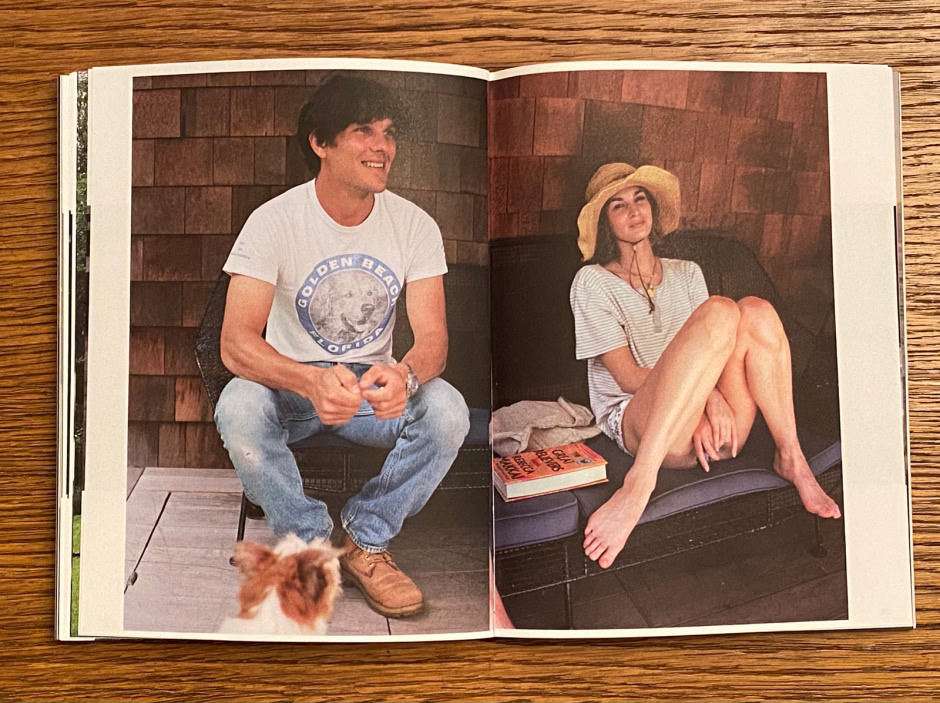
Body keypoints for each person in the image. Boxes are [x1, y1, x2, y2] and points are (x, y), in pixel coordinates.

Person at [214, 75, 470, 618]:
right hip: (292, 385)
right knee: (238, 405)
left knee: (448, 411)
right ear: (319, 143)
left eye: (388, 133)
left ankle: (366, 541)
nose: (382, 147)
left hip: (372, 388)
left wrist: (406, 376)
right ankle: (308, 549)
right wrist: (308, 379)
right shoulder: (274, 221)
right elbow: (235, 343)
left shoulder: (415, 226)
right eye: (363, 132)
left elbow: (434, 341)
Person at [569, 162, 841, 570]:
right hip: (642, 425)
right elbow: (625, 377)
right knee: (720, 311)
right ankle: (639, 485)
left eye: (640, 198)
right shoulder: (591, 282)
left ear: (653, 209)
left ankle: (791, 456)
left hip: (714, 434)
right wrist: (706, 397)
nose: (635, 211)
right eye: (619, 205)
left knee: (755, 311)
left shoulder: (687, 273)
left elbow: (709, 353)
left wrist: (707, 399)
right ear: (605, 222)